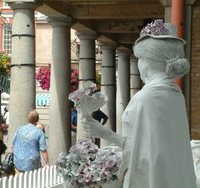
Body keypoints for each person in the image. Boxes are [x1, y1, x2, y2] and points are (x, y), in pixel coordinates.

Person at [82, 20, 197, 188]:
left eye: (140, 59)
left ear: (149, 61)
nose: (140, 64)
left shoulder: (145, 98)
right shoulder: (175, 94)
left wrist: (104, 133)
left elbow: (137, 153)